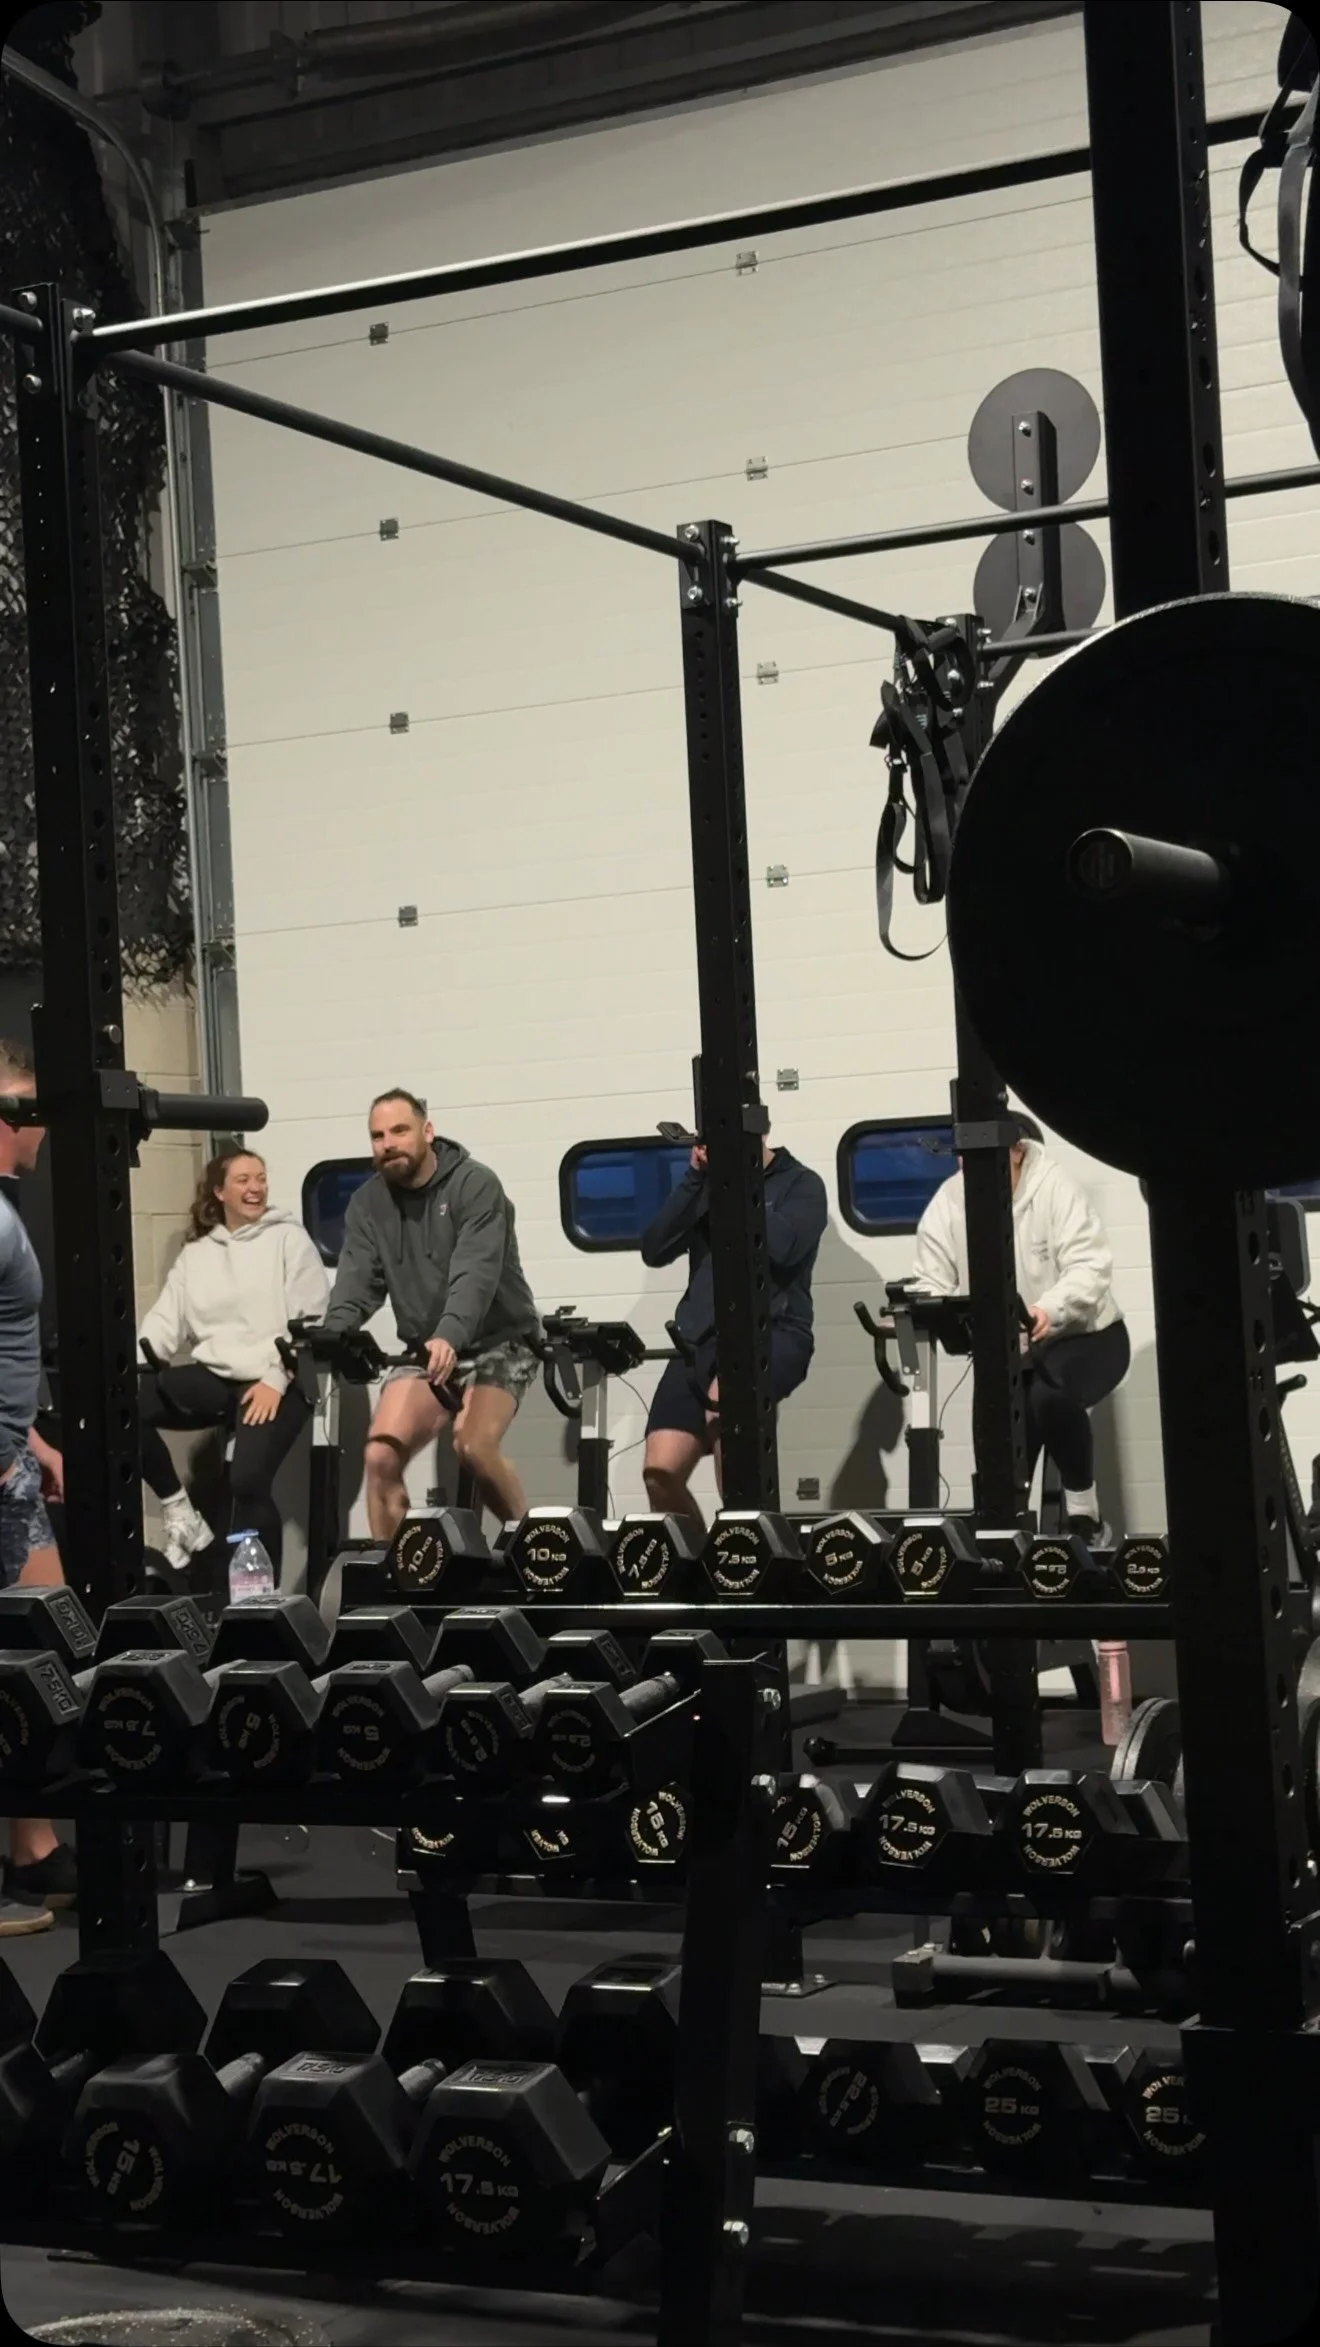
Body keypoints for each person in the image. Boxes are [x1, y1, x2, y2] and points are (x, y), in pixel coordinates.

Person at [321, 1090, 541, 1540]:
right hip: (428, 1348)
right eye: (378, 1136)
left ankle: (534, 1546)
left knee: (473, 1445)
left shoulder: (475, 1184)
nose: (388, 1144)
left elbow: (475, 1273)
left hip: (500, 1340)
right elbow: (357, 1281)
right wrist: (333, 1333)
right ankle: (399, 1572)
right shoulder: (367, 1203)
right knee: (380, 1457)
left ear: (427, 1131)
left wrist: (450, 1334)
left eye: (399, 1131)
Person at [912, 1115, 1130, 1540]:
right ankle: (1003, 1536)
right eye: (963, 1159)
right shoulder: (950, 1200)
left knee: (1049, 1397)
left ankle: (1085, 1517)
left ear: (1016, 1152)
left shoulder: (1054, 1186)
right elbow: (930, 1277)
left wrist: (1049, 1308)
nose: (967, 1168)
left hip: (1086, 1336)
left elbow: (1089, 1267)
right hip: (1008, 1350)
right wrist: (930, 1307)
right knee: (995, 1435)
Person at [137, 1148, 330, 1573]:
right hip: (220, 1376)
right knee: (126, 1403)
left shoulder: (288, 1239)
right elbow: (162, 1324)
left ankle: (262, 1600)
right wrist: (131, 1365)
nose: (255, 1187)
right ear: (219, 1191)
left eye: (261, 1178)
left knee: (247, 1481)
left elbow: (311, 1322)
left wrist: (276, 1379)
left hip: (281, 1378)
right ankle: (179, 1510)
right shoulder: (197, 1254)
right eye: (243, 1180)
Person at [640, 1126, 828, 1531]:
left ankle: (746, 1542)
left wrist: (738, 1184)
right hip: (702, 1337)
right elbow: (654, 1249)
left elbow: (785, 1249)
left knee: (726, 1401)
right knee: (660, 1471)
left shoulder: (801, 1184)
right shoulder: (706, 1186)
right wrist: (695, 1180)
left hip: (775, 1331)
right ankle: (699, 1557)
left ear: (760, 1131)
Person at [0, 1038, 72, 1928]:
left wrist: (32, 1437)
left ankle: (35, 1848)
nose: (47, 1122)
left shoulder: (8, 1208)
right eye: (32, 1104)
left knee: (38, 1653)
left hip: (13, 1457)